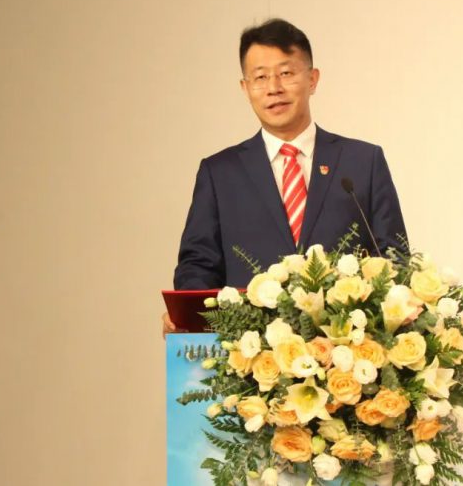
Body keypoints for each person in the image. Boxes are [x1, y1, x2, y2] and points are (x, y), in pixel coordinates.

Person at [164, 18, 406, 333]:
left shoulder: (362, 162)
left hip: (346, 349)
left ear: (312, 79)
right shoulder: (219, 173)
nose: (273, 88)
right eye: (260, 77)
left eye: (286, 73)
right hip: (248, 352)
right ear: (245, 88)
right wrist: (189, 318)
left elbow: (394, 260)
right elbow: (198, 266)